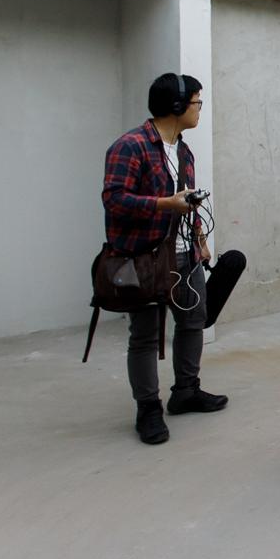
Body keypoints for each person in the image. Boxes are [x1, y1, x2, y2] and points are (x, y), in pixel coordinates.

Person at [101, 72, 228, 446]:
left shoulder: (183, 151)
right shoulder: (130, 146)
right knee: (144, 335)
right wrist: (163, 204)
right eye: (197, 102)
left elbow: (186, 200)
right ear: (177, 105)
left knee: (193, 322)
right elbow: (114, 199)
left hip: (185, 254)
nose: (200, 108)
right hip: (143, 258)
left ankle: (186, 391)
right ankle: (148, 409)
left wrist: (200, 238)